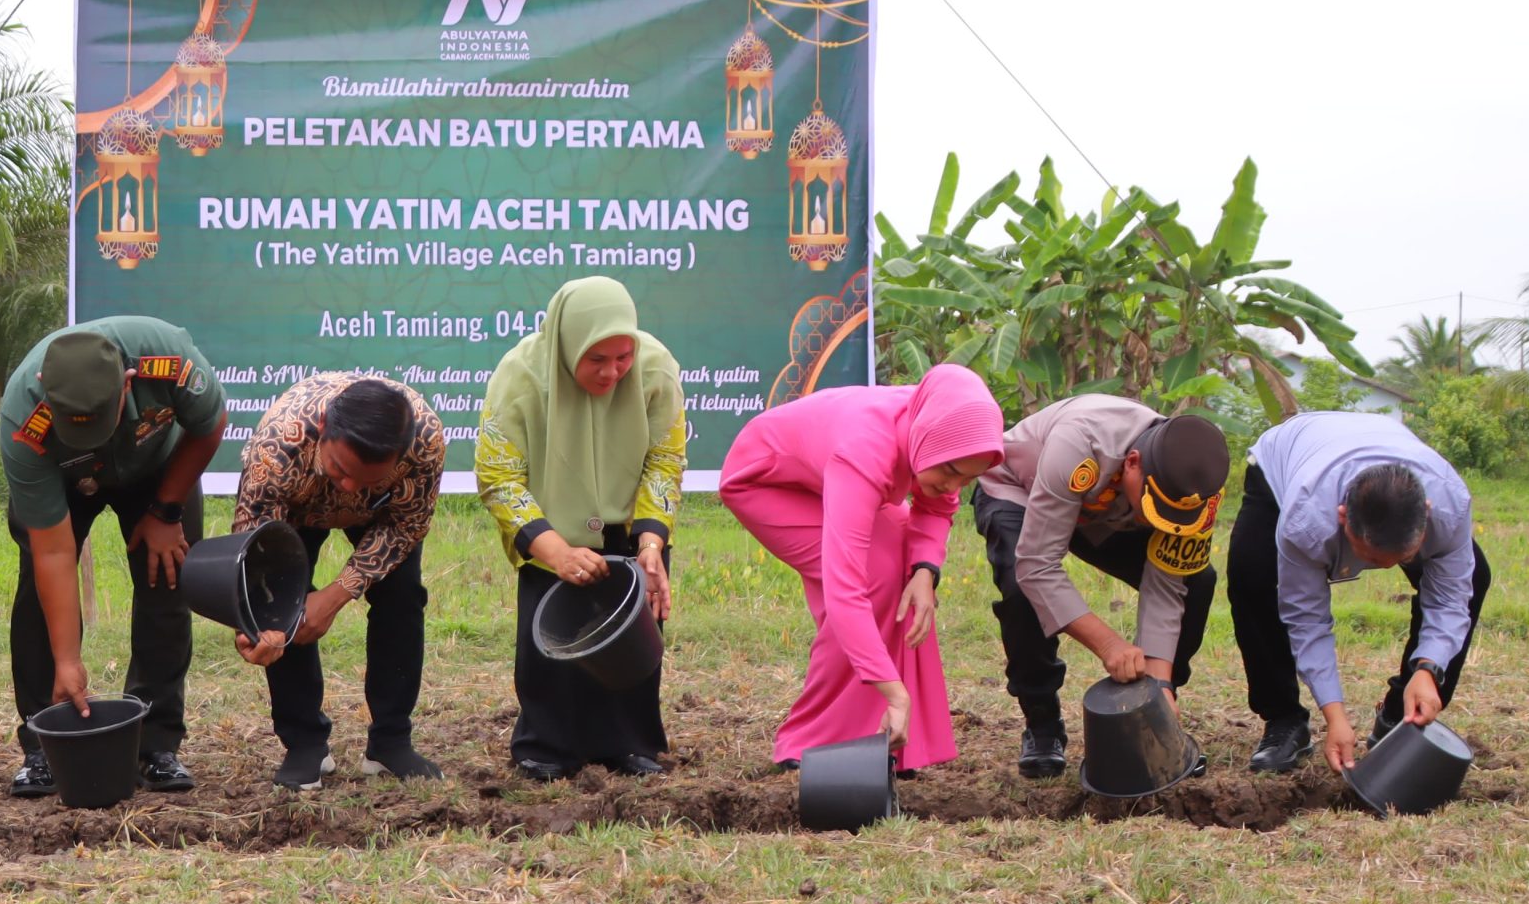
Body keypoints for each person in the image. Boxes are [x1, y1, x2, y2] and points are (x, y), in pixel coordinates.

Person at [718, 366, 1005, 770]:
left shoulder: (930, 423)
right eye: (950, 472)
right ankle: (811, 742)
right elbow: (846, 588)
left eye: (968, 479)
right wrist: (894, 691)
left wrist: (925, 572)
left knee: (902, 572)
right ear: (927, 440)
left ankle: (888, 740)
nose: (953, 486)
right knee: (873, 578)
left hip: (823, 474)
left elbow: (938, 508)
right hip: (764, 482)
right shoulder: (866, 449)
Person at [0, 317, 224, 798]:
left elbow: (209, 425)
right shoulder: (24, 417)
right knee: (39, 599)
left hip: (156, 467)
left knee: (167, 581)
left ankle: (155, 744)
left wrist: (167, 510)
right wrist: (68, 660)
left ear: (128, 381)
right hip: (62, 477)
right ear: (45, 393)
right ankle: (43, 742)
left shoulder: (169, 361)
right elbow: (55, 551)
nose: (92, 436)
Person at [476, 277, 687, 780]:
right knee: (551, 644)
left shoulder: (657, 367)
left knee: (633, 641)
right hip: (553, 525)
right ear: (569, 343)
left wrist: (651, 543)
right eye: (596, 359)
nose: (612, 371)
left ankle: (631, 744)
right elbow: (498, 476)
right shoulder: (520, 375)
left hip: (633, 528)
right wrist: (555, 551)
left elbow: (665, 457)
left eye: (622, 357)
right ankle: (546, 746)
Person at [1227, 410, 1494, 774]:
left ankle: (1404, 715)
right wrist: (1334, 714)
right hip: (1286, 459)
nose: (1382, 568)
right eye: (1370, 557)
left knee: (1476, 576)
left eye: (1401, 558)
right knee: (1252, 576)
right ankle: (1284, 719)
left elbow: (1450, 598)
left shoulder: (1450, 504)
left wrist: (1428, 668)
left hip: (1381, 444)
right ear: (1342, 518)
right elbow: (1306, 618)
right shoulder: (1306, 519)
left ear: (1426, 517)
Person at [973, 401, 1230, 777]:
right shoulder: (1080, 445)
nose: (1160, 521)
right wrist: (1110, 645)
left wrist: (1159, 683)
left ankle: (1155, 719)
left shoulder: (1197, 492)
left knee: (1196, 580)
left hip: (1101, 512)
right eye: (1155, 507)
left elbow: (1167, 582)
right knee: (1020, 589)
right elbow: (1037, 565)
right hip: (1021, 490)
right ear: (1133, 462)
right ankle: (1043, 727)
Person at [232, 373, 448, 790]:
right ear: (326, 431)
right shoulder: (278, 446)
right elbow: (255, 551)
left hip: (381, 515)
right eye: (340, 469)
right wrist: (255, 624)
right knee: (282, 605)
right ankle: (305, 745)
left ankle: (390, 743)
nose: (349, 487)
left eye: (366, 480)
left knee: (402, 598)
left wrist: (334, 597)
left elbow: (406, 527)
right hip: (297, 507)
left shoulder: (426, 441)